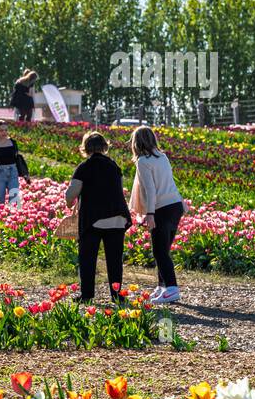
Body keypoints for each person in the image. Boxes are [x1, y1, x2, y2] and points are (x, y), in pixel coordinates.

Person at [65, 132, 131, 303]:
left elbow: (71, 193)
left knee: (88, 258)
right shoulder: (114, 166)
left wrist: (70, 203)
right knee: (115, 260)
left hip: (93, 220)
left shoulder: (84, 167)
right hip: (117, 218)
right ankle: (117, 296)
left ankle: (87, 295)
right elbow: (119, 189)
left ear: (85, 148)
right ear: (104, 147)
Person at [129, 126, 186, 304]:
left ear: (136, 143)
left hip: (161, 208)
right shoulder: (163, 156)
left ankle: (171, 288)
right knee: (164, 249)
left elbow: (150, 189)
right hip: (175, 205)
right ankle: (162, 286)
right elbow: (169, 181)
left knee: (159, 252)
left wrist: (150, 213)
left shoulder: (143, 161)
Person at [0, 120, 27, 203]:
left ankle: (14, 215)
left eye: (6, 130)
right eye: (1, 130)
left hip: (13, 172)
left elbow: (17, 158)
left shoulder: (13, 142)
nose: (4, 132)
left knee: (14, 200)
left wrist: (25, 172)